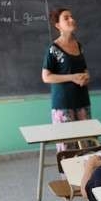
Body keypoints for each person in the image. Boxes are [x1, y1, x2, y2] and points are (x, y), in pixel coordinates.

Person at [41, 8, 91, 151]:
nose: (71, 19)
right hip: (63, 104)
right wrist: (72, 77)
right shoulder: (53, 49)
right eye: (66, 18)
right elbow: (46, 76)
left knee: (88, 144)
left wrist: (86, 77)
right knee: (67, 148)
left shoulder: (78, 45)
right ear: (58, 25)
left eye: (71, 16)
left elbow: (84, 69)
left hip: (82, 101)